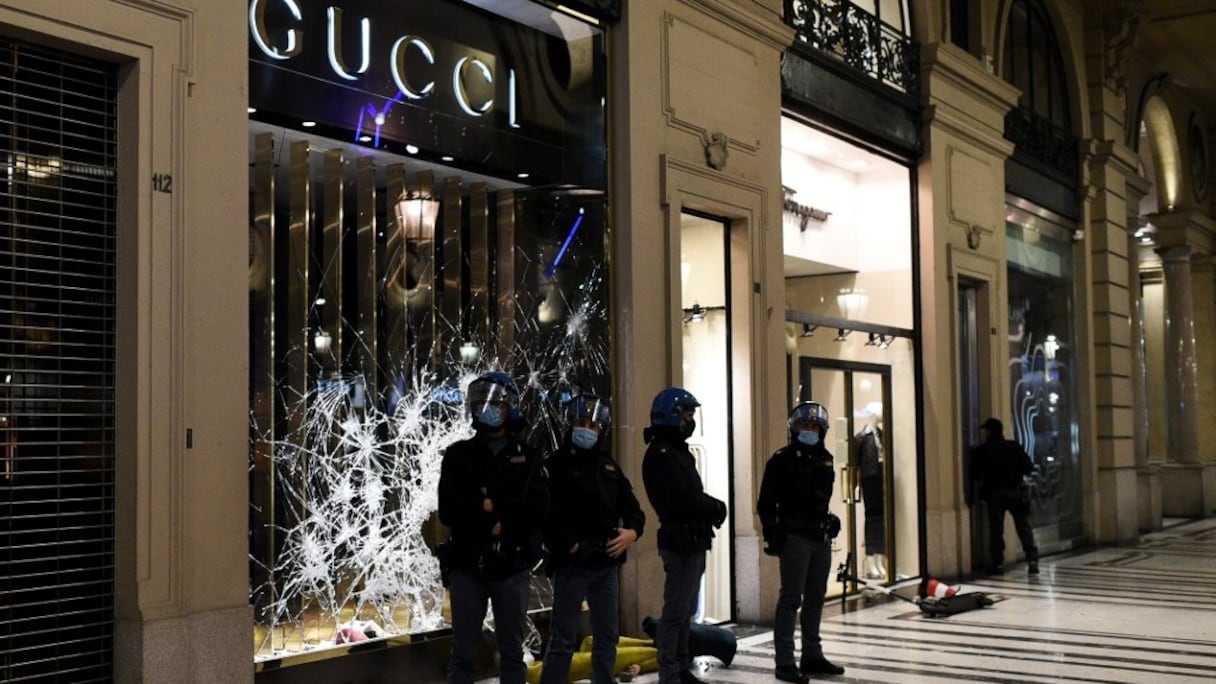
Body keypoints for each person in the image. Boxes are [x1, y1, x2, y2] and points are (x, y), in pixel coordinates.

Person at [438, 371, 550, 684]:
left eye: (495, 404)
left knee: (513, 653)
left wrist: (496, 507)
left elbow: (538, 508)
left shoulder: (527, 457)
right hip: (466, 565)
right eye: (480, 403)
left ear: (510, 407)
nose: (486, 410)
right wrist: (491, 514)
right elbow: (449, 510)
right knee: (463, 653)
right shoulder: (458, 455)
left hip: (511, 566)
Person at [540, 394, 645, 684]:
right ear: (570, 425)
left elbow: (634, 510)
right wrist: (571, 544)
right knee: (562, 640)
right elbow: (545, 515)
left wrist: (632, 533)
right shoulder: (555, 465)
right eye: (582, 423)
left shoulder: (609, 467)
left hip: (606, 565)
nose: (587, 429)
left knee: (607, 637)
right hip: (571, 564)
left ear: (602, 430)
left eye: (594, 425)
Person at [641, 387, 727, 684]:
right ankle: (670, 672)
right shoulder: (662, 454)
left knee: (685, 611)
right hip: (680, 543)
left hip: (692, 540)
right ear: (673, 415)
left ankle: (681, 665)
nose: (691, 420)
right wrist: (714, 506)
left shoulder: (676, 451)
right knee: (675, 612)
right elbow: (681, 499)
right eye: (688, 414)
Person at [758, 401, 845, 683]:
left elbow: (820, 500)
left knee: (816, 597)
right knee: (791, 598)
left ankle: (812, 655)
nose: (810, 430)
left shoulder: (826, 458)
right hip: (795, 538)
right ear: (794, 429)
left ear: (822, 430)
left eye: (815, 426)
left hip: (820, 538)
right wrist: (774, 534)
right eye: (805, 426)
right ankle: (785, 661)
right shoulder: (781, 460)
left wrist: (831, 520)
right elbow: (766, 503)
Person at [970, 417, 1038, 575]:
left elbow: (973, 473)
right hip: (1015, 492)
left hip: (995, 494)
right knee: (1024, 528)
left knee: (996, 531)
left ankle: (998, 564)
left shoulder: (984, 450)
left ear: (990, 431)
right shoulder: (1013, 447)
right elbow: (1028, 466)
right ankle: (1032, 560)